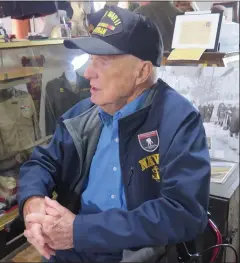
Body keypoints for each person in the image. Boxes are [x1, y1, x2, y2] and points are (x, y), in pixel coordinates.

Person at [18, 6, 211, 263]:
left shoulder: (178, 120)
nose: (88, 73)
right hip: (67, 247)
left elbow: (184, 212)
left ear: (142, 72)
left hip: (133, 252)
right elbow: (41, 161)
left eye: (103, 60)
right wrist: (33, 205)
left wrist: (80, 231)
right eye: (90, 59)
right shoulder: (83, 114)